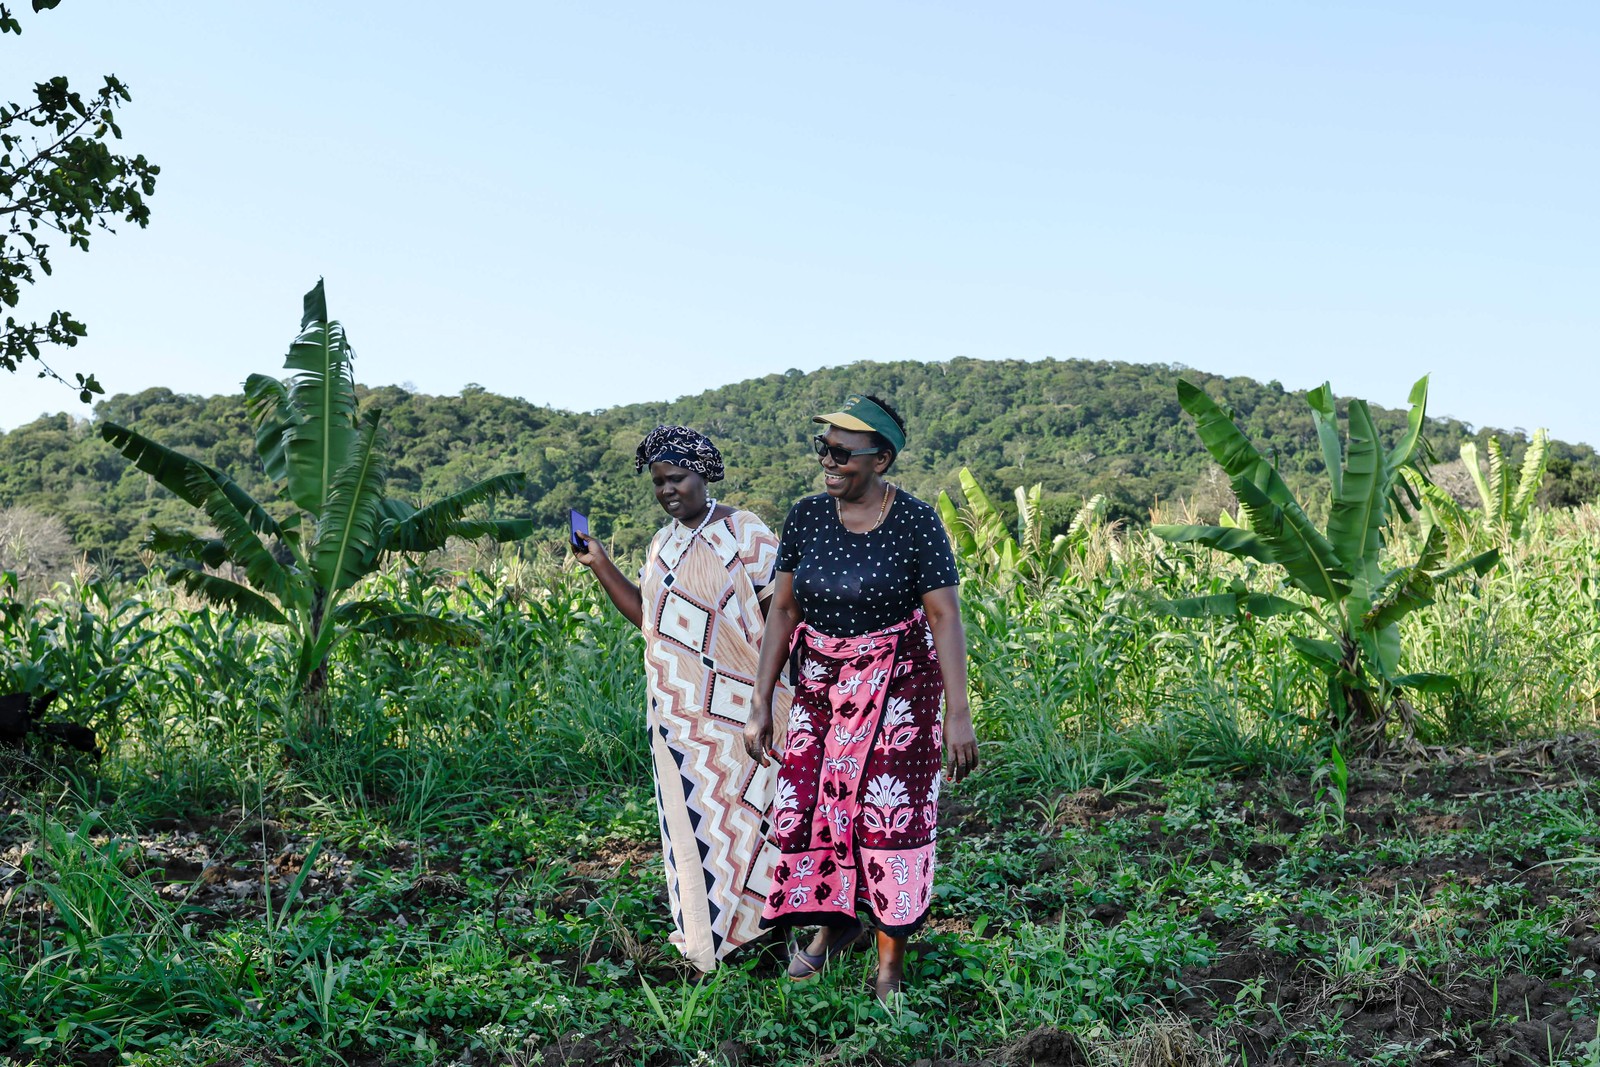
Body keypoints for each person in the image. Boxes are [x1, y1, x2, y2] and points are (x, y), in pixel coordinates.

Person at [743, 393, 979, 1005]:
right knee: (821, 808)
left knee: (887, 821)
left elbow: (944, 616)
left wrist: (959, 714)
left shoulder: (917, 521)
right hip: (821, 689)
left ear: (882, 458)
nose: (829, 460)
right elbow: (785, 611)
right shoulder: (806, 517)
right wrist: (762, 700)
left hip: (900, 690)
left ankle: (889, 963)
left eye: (844, 452)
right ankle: (833, 925)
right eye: (824, 448)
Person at [573, 425, 791, 972]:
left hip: (750, 705)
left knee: (761, 814)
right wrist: (599, 563)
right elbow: (651, 622)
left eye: (677, 478)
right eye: (658, 482)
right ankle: (712, 941)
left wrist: (781, 696)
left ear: (704, 474)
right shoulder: (662, 543)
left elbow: (784, 615)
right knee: (698, 822)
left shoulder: (746, 531)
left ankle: (771, 933)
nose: (668, 490)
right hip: (681, 713)